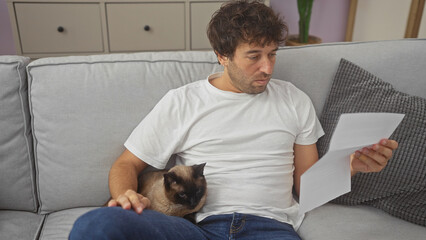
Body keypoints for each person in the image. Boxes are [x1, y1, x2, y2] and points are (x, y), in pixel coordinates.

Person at [69, 1, 398, 239]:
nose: (267, 68)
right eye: (254, 56)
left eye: (272, 54)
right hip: (198, 227)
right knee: (94, 226)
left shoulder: (295, 100)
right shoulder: (183, 101)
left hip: (271, 228)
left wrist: (351, 166)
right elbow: (125, 165)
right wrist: (126, 195)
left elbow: (306, 186)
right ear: (222, 56)